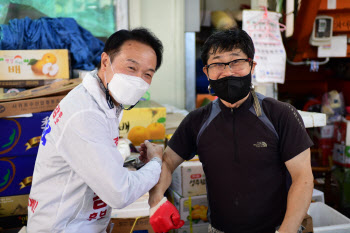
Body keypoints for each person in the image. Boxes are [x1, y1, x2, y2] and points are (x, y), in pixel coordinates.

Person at [143, 28, 314, 233]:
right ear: (206, 72)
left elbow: (303, 178)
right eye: (217, 64)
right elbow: (168, 162)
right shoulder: (197, 121)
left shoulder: (280, 115)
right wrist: (157, 199)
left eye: (236, 61)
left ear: (252, 66)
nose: (228, 71)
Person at [27, 28, 164, 233]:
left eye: (147, 74)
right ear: (105, 61)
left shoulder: (106, 100)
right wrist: (156, 163)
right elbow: (119, 193)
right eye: (131, 67)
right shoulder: (84, 113)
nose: (138, 80)